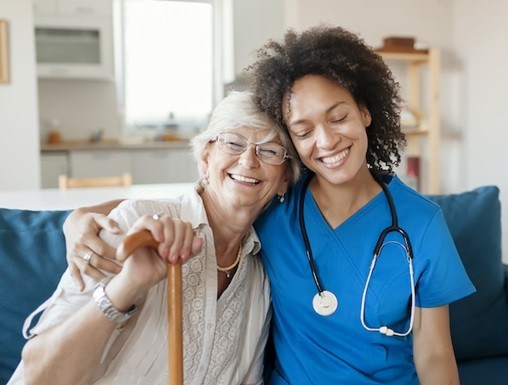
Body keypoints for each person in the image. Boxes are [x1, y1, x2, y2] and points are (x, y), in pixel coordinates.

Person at [60, 25, 475, 385]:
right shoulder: (276, 203)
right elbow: (195, 201)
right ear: (292, 143)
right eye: (304, 129)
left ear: (365, 111)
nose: (327, 141)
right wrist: (79, 217)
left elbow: (435, 354)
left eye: (338, 117)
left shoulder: (421, 224)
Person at [9, 90, 299, 385]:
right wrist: (128, 284)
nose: (248, 160)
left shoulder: (260, 279)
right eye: (233, 142)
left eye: (269, 150)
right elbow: (37, 376)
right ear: (205, 158)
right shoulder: (134, 224)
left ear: (285, 178)